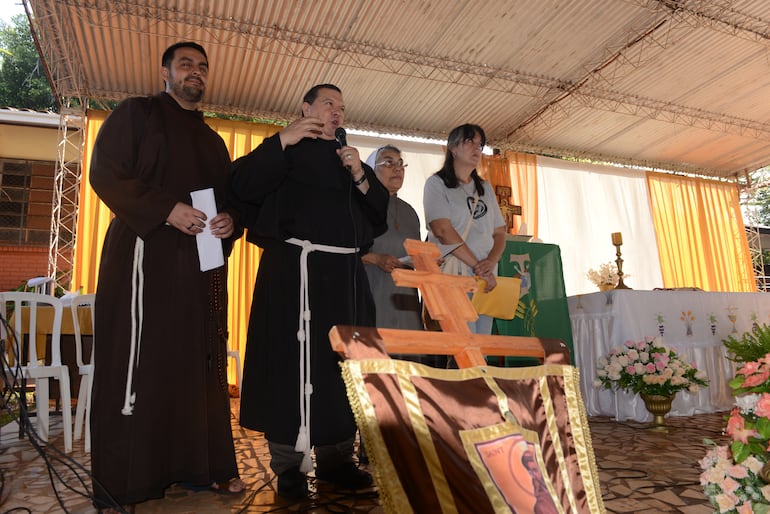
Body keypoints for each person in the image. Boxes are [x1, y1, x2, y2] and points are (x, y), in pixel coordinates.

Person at [89, 41, 245, 512]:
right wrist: (166, 210)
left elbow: (227, 200)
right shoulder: (135, 115)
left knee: (198, 363)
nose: (194, 73)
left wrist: (229, 222)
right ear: (165, 72)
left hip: (198, 268)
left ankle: (205, 467)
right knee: (140, 364)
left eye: (201, 67)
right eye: (185, 65)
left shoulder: (213, 141)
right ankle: (129, 479)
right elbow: (106, 173)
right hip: (143, 258)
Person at [230, 84, 388, 499]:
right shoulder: (285, 148)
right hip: (292, 276)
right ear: (306, 108)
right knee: (289, 365)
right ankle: (289, 466)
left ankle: (337, 459)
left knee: (341, 369)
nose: (337, 112)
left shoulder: (348, 159)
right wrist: (282, 140)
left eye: (342, 106)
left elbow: (378, 217)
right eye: (328, 104)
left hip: (344, 280)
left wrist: (359, 175)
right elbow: (241, 184)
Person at [362, 145, 445, 367]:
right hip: (374, 293)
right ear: (371, 169)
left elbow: (415, 254)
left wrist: (429, 261)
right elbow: (348, 251)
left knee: (408, 367)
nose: (397, 169)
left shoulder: (410, 213)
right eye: (389, 163)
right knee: (376, 365)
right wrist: (376, 259)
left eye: (400, 164)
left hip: (406, 300)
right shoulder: (361, 206)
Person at [423, 123, 507, 336]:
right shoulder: (436, 184)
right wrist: (479, 265)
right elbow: (442, 230)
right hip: (455, 275)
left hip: (484, 278)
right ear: (452, 148)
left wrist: (490, 264)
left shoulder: (485, 188)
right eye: (469, 141)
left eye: (480, 144)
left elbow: (499, 232)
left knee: (482, 346)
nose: (477, 148)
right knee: (462, 344)